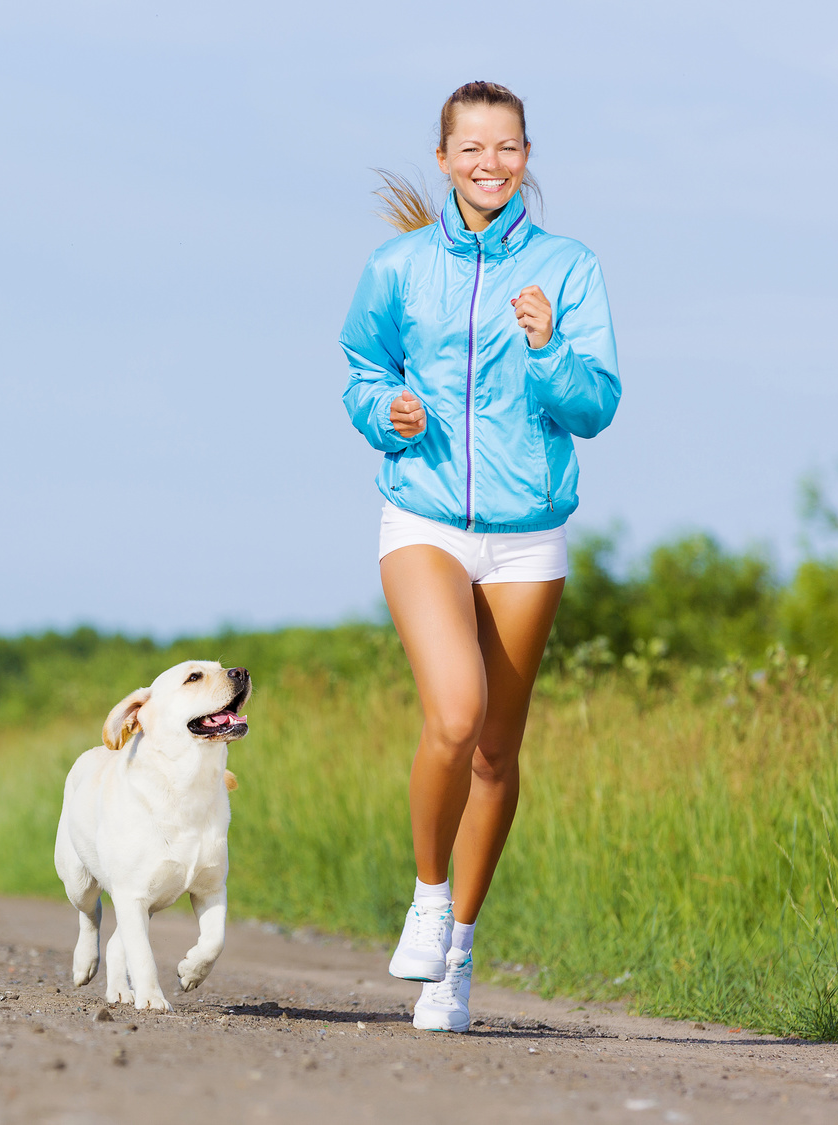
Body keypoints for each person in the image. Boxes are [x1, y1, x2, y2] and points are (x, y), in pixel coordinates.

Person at [340, 81, 620, 1033]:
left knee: (498, 752)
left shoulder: (568, 269)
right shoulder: (398, 268)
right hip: (423, 514)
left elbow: (595, 406)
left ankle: (455, 957)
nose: (489, 164)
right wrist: (387, 414)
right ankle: (425, 894)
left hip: (528, 530)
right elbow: (363, 370)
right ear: (444, 157)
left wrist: (548, 350)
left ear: (527, 155)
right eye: (472, 149)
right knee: (454, 716)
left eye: (507, 148)